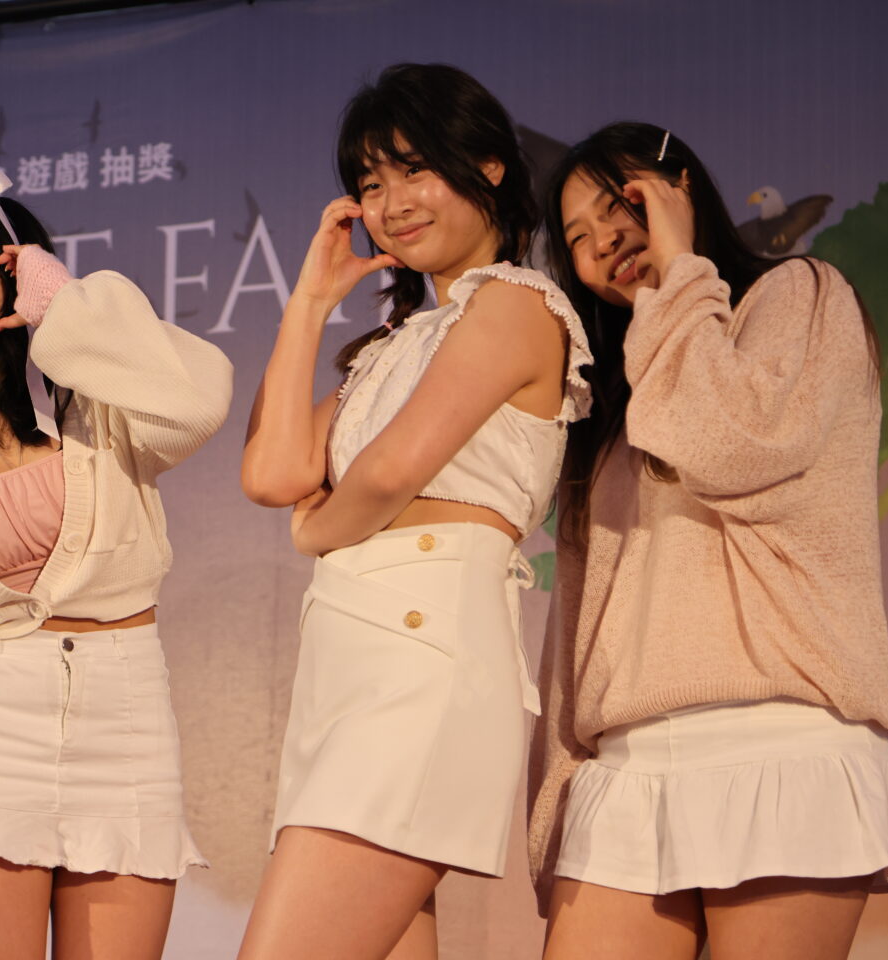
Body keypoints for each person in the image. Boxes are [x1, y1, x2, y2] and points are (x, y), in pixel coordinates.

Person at [529, 121, 888, 960]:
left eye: (619, 205)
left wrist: (681, 269)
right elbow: (577, 624)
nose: (603, 242)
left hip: (782, 741)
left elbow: (732, 443)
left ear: (678, 188)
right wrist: (559, 801)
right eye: (577, 238)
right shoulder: (613, 404)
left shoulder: (799, 295)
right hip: (627, 766)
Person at [237, 63, 589, 960]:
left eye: (413, 168)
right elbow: (272, 473)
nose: (391, 203)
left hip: (423, 652)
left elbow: (391, 471)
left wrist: (320, 529)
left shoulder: (517, 302)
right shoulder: (394, 345)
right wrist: (311, 303)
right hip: (349, 658)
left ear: (489, 166)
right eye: (369, 183)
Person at [0, 180, 231, 959]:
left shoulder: (96, 404)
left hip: (126, 721)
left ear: (8, 265)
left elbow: (199, 403)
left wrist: (67, 308)